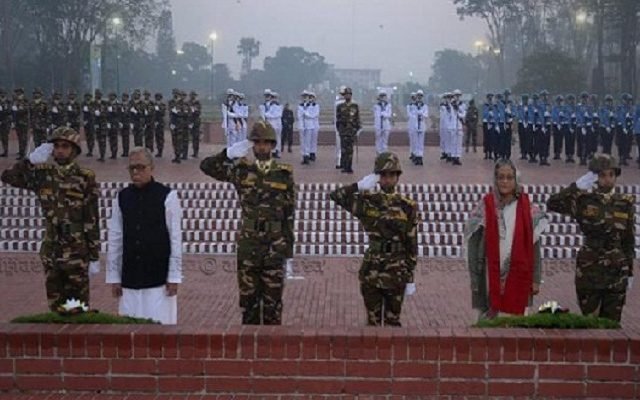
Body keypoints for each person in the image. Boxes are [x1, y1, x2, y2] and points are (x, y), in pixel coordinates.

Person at [200, 121, 295, 325]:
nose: (262, 147)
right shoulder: (241, 171)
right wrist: (228, 153)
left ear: (272, 145)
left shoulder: (284, 174)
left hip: (274, 246)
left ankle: (270, 353)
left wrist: (288, 249)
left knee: (273, 305)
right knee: (249, 305)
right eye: (257, 142)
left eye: (266, 143)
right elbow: (207, 166)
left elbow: (289, 213)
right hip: (249, 245)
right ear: (252, 145)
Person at [1, 127, 100, 311]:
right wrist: (28, 161)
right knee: (56, 306)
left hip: (76, 249)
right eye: (56, 146)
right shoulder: (43, 175)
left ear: (74, 150)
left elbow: (91, 218)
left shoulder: (85, 177)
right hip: (52, 248)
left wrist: (94, 255)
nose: (60, 150)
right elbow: (7, 177)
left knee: (77, 308)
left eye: (65, 146)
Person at [329, 152, 417, 326]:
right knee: (373, 323)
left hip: (396, 270)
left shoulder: (407, 206)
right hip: (372, 271)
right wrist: (358, 186)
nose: (387, 179)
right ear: (377, 177)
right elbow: (336, 196)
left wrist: (410, 276)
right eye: (383, 175)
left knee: (393, 322)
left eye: (391, 175)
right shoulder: (367, 201)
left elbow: (411, 243)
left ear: (397, 177)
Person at [547, 154, 635, 322]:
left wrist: (629, 272)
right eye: (602, 175)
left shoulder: (624, 203)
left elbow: (628, 240)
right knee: (591, 324)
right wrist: (576, 186)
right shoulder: (583, 201)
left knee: (612, 326)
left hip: (617, 272)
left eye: (611, 175)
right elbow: (553, 203)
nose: (608, 179)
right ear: (594, 178)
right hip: (590, 270)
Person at [106, 147, 182, 324]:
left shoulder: (167, 196)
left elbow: (175, 238)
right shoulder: (122, 197)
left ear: (151, 167)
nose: (136, 172)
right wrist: (114, 277)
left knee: (160, 330)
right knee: (129, 331)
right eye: (132, 168)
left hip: (159, 279)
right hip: (130, 275)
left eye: (141, 167)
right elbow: (116, 237)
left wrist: (174, 277)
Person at [465, 159, 548, 320]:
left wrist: (536, 279)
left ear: (516, 180)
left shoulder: (527, 208)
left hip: (519, 274)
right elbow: (473, 245)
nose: (505, 181)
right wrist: (475, 278)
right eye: (500, 177)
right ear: (495, 179)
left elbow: (534, 246)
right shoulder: (485, 205)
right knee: (489, 325)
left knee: (515, 328)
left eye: (509, 177)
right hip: (489, 274)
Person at [335, 87, 361, 173]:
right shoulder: (340, 106)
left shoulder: (355, 106)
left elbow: (357, 119)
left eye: (349, 94)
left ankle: (349, 167)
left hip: (351, 131)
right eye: (346, 94)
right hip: (343, 131)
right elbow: (338, 119)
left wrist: (357, 130)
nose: (348, 96)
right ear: (344, 96)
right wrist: (339, 130)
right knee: (343, 150)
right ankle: (344, 166)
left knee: (350, 150)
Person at [373, 89, 392, 155]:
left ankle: (384, 152)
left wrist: (384, 114)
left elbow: (389, 115)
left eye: (384, 96)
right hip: (378, 124)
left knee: (385, 139)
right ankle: (378, 152)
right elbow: (377, 115)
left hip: (386, 124)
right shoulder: (376, 106)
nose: (383, 97)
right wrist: (383, 114)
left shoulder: (388, 105)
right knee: (378, 139)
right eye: (381, 96)